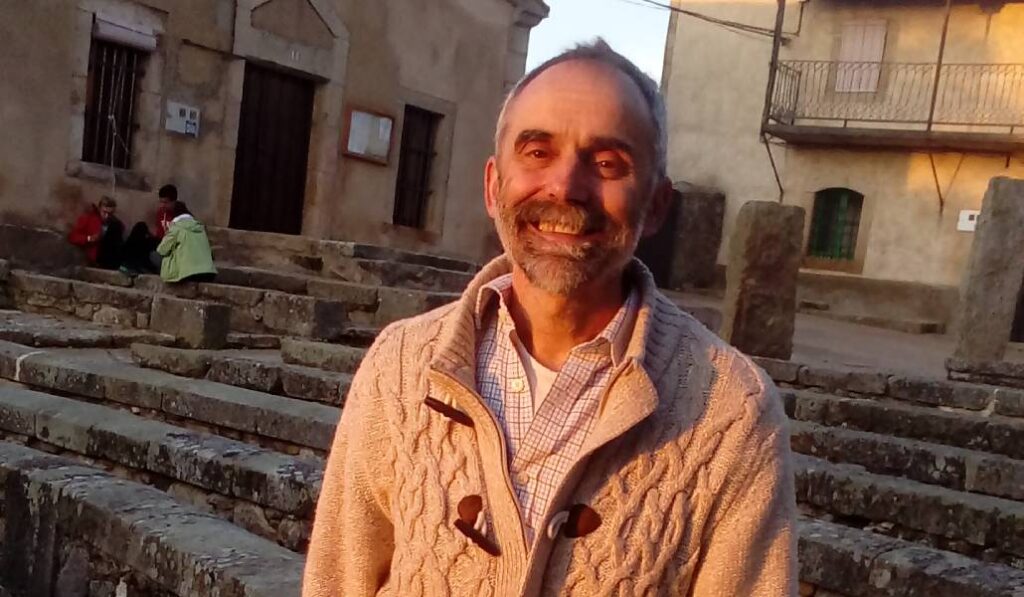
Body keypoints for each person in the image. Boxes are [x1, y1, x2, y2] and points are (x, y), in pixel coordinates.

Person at [304, 41, 796, 596]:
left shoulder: (731, 411)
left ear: (656, 205)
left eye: (608, 163)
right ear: (494, 186)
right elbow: (337, 581)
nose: (565, 187)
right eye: (537, 152)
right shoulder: (399, 367)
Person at [156, 201, 216, 283]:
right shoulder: (201, 228)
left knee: (154, 256)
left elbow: (161, 250)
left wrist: (167, 234)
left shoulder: (176, 228)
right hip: (209, 273)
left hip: (188, 274)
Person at [68, 196, 124, 269]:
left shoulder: (116, 225)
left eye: (110, 213)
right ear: (99, 208)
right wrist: (89, 238)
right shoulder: (88, 219)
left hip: (107, 263)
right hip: (87, 260)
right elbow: (73, 237)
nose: (106, 216)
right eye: (104, 212)